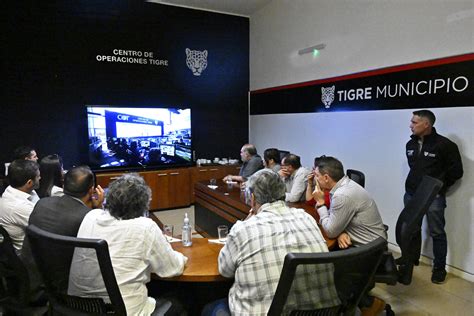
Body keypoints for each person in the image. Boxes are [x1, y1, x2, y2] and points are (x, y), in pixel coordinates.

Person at [212, 169, 340, 315]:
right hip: (321, 312)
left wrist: (244, 222)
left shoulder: (242, 229)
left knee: (211, 308)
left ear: (253, 199)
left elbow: (225, 271)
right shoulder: (306, 218)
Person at [68, 173, 187, 316]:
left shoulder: (91, 216)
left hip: (79, 309)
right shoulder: (145, 227)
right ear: (143, 205)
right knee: (184, 298)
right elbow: (172, 269)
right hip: (122, 312)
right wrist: (183, 257)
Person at [22, 165, 105, 293]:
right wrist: (98, 209)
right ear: (91, 191)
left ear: (64, 187)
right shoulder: (88, 218)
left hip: (32, 280)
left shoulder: (42, 203)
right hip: (66, 288)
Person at [404, 110, 463, 284]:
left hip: (433, 198)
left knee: (437, 232)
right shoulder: (410, 144)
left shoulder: (445, 145)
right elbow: (414, 169)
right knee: (411, 229)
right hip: (412, 194)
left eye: (414, 122)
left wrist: (439, 188)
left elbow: (456, 172)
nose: (411, 125)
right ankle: (411, 259)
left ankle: (439, 268)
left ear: (426, 124)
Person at [313, 156, 386, 248]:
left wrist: (320, 203)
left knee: (319, 250)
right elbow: (334, 218)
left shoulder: (342, 195)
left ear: (326, 178)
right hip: (368, 241)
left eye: (317, 175)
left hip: (368, 249)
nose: (315, 179)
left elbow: (330, 232)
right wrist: (340, 232)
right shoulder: (344, 184)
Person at [0, 160, 40, 252]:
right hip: (28, 256)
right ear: (29, 183)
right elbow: (47, 226)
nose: (40, 178)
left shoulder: (18, 189)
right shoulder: (18, 207)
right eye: (38, 176)